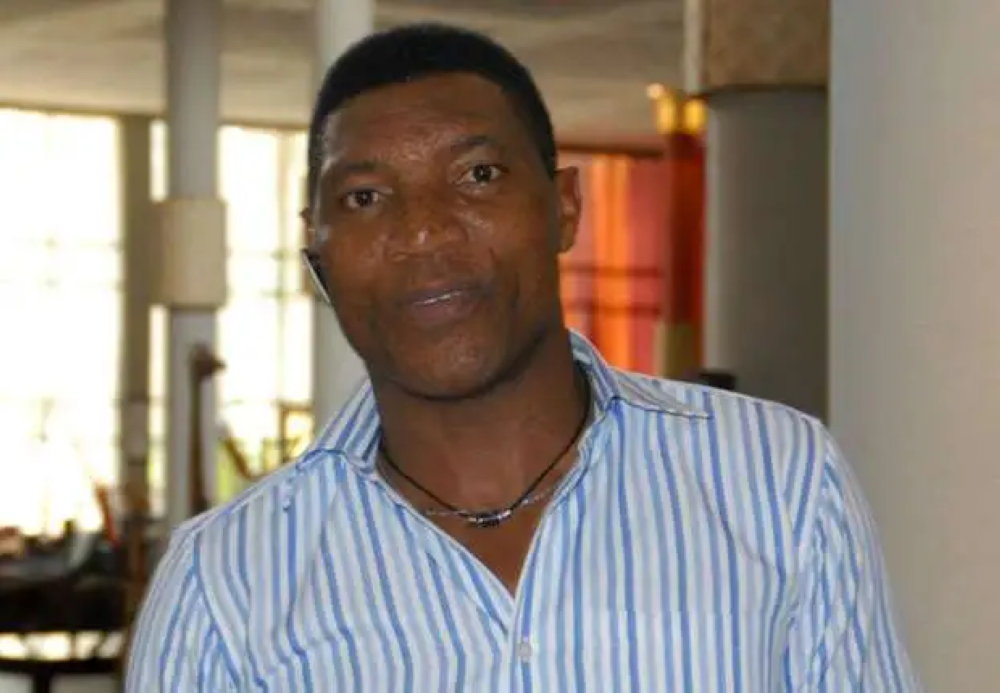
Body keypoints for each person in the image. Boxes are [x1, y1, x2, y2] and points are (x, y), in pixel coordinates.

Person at [126, 23, 919, 692]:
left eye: (478, 175)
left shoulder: (778, 480)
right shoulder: (224, 582)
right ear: (317, 249)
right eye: (365, 197)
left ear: (563, 207)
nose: (424, 230)